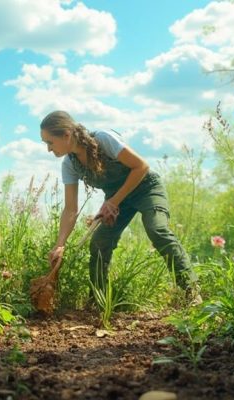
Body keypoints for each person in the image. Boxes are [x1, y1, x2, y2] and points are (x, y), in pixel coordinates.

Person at [40, 110, 195, 302]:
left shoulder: (103, 139)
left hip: (146, 188)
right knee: (99, 241)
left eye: (49, 142)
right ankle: (99, 301)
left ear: (66, 135)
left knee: (157, 230)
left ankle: (191, 291)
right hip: (117, 200)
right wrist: (60, 244)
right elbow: (71, 209)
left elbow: (141, 167)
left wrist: (113, 201)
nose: (48, 149)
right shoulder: (69, 165)